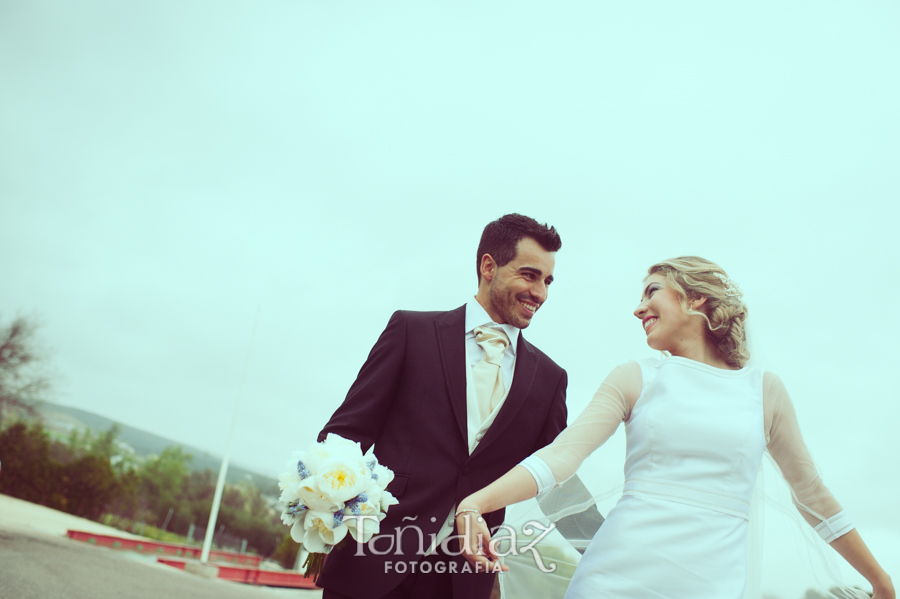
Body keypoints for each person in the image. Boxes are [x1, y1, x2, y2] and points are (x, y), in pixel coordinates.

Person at [456, 256, 895, 599]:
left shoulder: (764, 391)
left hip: (711, 586)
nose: (638, 307)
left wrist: (881, 581)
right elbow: (562, 455)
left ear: (695, 298)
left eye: (652, 291)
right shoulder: (634, 376)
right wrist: (476, 503)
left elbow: (813, 495)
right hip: (615, 579)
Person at [315, 214, 570, 599]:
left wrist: (616, 547)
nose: (541, 293)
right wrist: (325, 505)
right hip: (372, 562)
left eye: (548, 281)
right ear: (488, 266)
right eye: (530, 275)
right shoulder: (411, 332)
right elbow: (346, 433)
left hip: (461, 580)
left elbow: (553, 478)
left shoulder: (550, 379)